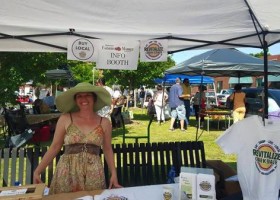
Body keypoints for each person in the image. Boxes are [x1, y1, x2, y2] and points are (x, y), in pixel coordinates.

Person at [33, 82, 121, 194]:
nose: (83, 98)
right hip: (67, 171)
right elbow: (55, 147)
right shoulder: (65, 118)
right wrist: (37, 171)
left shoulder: (104, 122)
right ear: (75, 100)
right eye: (79, 96)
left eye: (87, 95)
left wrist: (114, 174)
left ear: (94, 98)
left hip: (93, 172)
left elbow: (108, 149)